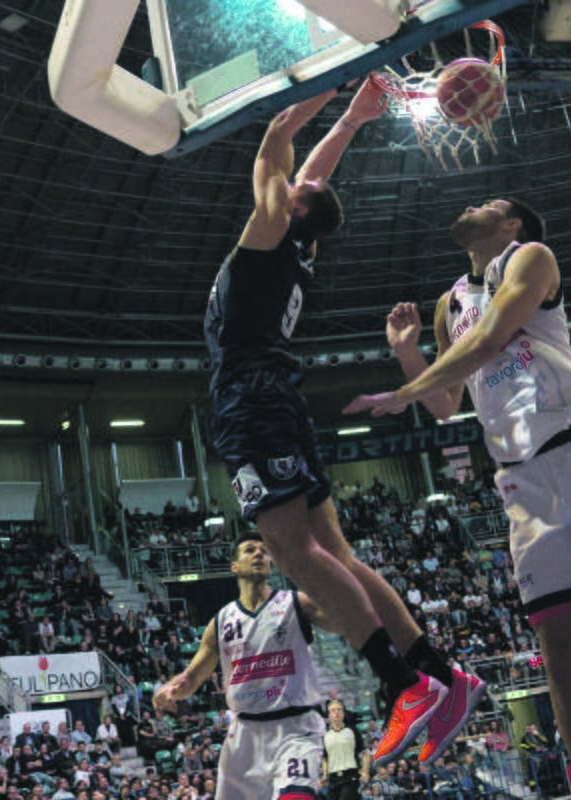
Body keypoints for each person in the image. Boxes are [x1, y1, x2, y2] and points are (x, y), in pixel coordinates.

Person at [345, 198, 571, 800]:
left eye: (490, 203)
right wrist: (409, 353)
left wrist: (404, 390)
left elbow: (490, 338)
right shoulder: (448, 304)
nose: (473, 205)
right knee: (558, 652)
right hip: (522, 481)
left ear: (512, 224)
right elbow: (447, 406)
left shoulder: (532, 257)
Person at [203, 79, 473, 765]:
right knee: (336, 555)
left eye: (294, 186)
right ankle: (441, 675)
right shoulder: (298, 244)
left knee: (295, 555)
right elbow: (314, 175)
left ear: (292, 206)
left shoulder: (272, 231)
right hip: (276, 395)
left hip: (250, 398)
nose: (293, 179)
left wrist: (323, 85)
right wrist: (352, 117)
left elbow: (276, 140)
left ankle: (403, 683)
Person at [151, 534, 341, 799]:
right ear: (235, 566)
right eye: (250, 550)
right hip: (244, 737)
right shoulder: (222, 621)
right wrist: (171, 689)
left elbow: (340, 619)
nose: (259, 554)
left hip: (295, 728)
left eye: (264, 550)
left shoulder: (295, 603)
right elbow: (191, 678)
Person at [322, 699, 369, 800]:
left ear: (343, 713)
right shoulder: (325, 735)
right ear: (329, 715)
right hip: (333, 779)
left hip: (350, 776)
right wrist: (325, 776)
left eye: (339, 709)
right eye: (333, 710)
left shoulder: (352, 731)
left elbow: (364, 753)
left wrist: (364, 771)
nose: (336, 713)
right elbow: (325, 758)